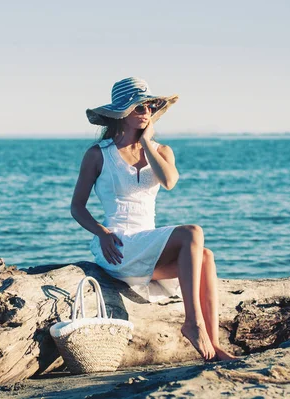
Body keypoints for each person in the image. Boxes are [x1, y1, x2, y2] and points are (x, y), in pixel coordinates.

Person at [70, 77, 236, 361]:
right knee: (193, 232)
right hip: (118, 244)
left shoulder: (161, 151)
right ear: (121, 114)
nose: (146, 111)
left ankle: (215, 344)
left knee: (206, 256)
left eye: (149, 105)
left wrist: (147, 143)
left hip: (147, 243)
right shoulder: (99, 155)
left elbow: (170, 181)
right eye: (138, 107)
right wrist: (102, 232)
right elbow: (77, 207)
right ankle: (192, 323)